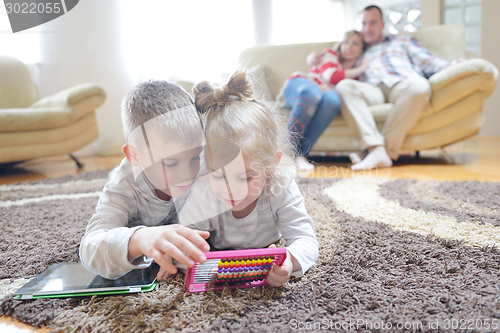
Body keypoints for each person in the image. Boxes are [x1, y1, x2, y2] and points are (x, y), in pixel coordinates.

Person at [179, 71, 319, 287]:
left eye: (245, 178)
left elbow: (306, 241)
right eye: (220, 175)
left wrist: (289, 261)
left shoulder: (279, 184)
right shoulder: (204, 189)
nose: (231, 189)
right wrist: (185, 257)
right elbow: (183, 242)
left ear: (271, 164)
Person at [79, 80, 211, 280]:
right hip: (127, 187)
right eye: (171, 164)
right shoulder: (123, 187)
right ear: (134, 155)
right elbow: (90, 249)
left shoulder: (204, 169)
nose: (187, 173)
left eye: (194, 157)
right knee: (113, 180)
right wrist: (140, 239)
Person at [336, 5, 463, 170]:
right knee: (344, 86)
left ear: (382, 25)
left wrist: (454, 65)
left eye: (373, 23)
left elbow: (428, 62)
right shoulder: (358, 49)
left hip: (401, 83)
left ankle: (380, 152)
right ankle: (376, 148)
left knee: (419, 86)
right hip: (372, 89)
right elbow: (336, 65)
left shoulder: (403, 40)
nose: (367, 28)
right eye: (364, 23)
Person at [281, 30, 370, 171]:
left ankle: (300, 155)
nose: (349, 46)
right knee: (312, 92)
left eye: (355, 43)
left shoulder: (355, 77)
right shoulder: (331, 55)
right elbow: (332, 77)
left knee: (333, 100)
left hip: (322, 96)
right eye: (346, 42)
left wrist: (361, 69)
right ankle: (284, 152)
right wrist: (362, 68)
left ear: (363, 49)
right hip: (300, 85)